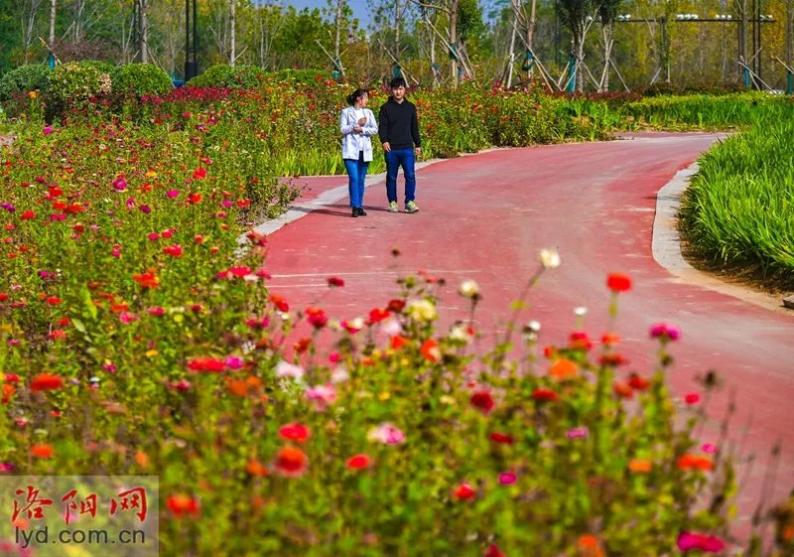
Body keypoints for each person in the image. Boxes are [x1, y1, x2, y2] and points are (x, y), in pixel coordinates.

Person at [378, 77, 421, 214]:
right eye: (395, 89)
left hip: (407, 147)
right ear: (391, 90)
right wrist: (384, 141)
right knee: (391, 176)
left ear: (405, 90)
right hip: (392, 149)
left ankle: (409, 201)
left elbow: (414, 127)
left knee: (410, 175)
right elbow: (382, 127)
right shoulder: (385, 108)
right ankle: (392, 202)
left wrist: (418, 144)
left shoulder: (410, 108)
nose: (398, 92)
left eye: (401, 89)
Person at [340, 88, 378, 217]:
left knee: (361, 179)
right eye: (365, 98)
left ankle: (359, 205)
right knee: (354, 178)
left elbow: (375, 129)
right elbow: (342, 129)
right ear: (358, 98)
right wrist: (354, 125)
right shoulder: (346, 112)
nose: (367, 100)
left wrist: (362, 129)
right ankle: (355, 206)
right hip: (350, 150)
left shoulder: (368, 112)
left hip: (364, 151)